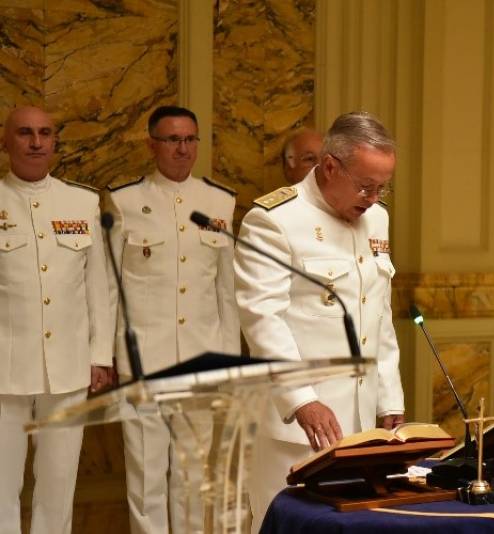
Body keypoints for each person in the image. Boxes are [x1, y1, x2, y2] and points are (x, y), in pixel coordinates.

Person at [235, 111, 405, 532]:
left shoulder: (377, 218)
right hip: (296, 427)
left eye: (382, 187)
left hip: (360, 424)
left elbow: (378, 315)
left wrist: (389, 400)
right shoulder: (274, 220)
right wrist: (302, 400)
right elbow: (263, 320)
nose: (373, 197)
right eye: (366, 185)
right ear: (330, 166)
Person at [104, 105, 240, 533]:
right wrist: (106, 357)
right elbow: (110, 289)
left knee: (193, 477)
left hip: (201, 361)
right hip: (144, 361)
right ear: (152, 145)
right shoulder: (125, 201)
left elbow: (227, 292)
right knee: (146, 477)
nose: (183, 149)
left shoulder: (219, 201)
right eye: (173, 140)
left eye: (190, 139)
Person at [0, 106, 114, 533]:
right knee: (1, 487)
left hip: (68, 366)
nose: (36, 142)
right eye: (25, 133)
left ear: (54, 142)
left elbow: (98, 286)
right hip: (4, 368)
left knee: (59, 484)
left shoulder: (81, 202)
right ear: (5, 141)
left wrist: (101, 355)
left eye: (45, 133)